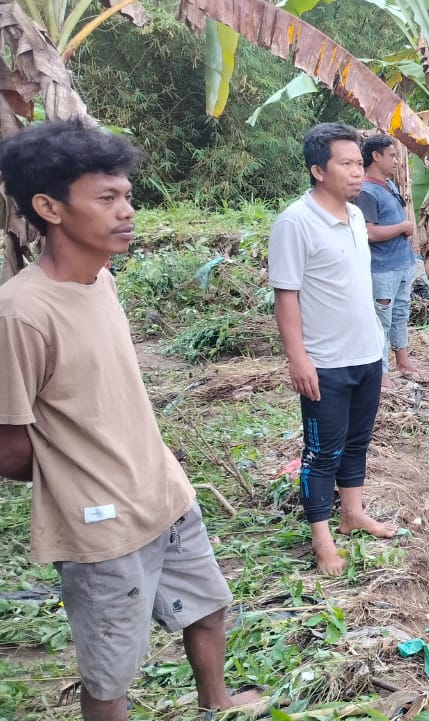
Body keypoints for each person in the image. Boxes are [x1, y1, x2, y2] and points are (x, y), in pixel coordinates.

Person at [0, 122, 261, 721]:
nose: (127, 211)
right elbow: (10, 447)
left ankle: (215, 701)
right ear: (49, 208)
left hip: (163, 490)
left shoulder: (102, 282)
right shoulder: (21, 313)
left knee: (206, 605)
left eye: (128, 196)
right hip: (100, 526)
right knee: (111, 665)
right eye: (107, 198)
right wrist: (83, 475)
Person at [268, 123, 397, 576]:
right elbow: (287, 295)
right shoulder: (295, 223)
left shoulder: (357, 216)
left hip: (366, 354)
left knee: (357, 441)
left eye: (360, 164)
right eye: (346, 164)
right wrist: (298, 358)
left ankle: (353, 512)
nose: (357, 172)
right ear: (318, 170)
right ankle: (322, 538)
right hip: (325, 362)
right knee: (322, 451)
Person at [355, 135, 420, 388]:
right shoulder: (366, 192)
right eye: (392, 155)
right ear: (376, 156)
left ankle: (403, 361)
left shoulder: (389, 185)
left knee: (401, 314)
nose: (396, 160)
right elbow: (369, 233)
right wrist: (403, 226)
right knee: (380, 320)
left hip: (402, 263)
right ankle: (380, 373)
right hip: (382, 268)